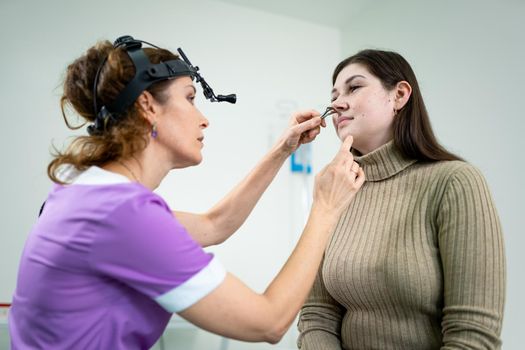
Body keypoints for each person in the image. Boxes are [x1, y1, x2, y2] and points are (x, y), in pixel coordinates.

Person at [8, 36, 366, 349]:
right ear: (147, 105)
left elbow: (216, 224)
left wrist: (281, 150)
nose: (203, 118)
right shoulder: (121, 215)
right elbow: (268, 322)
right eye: (191, 97)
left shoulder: (86, 195)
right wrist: (327, 207)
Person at [297, 49, 505, 349]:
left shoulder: (456, 182)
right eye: (334, 95)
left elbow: (473, 335)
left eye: (354, 87)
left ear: (399, 95)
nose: (337, 103)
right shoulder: (335, 192)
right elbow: (317, 315)